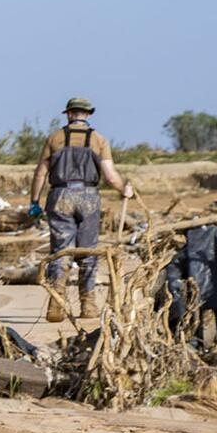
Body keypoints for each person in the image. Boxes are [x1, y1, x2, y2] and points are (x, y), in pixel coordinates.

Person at [28, 95, 134, 321]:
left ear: (68, 114)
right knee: (88, 251)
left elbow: (40, 173)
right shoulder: (99, 140)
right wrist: (123, 189)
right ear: (88, 114)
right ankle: (88, 305)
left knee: (61, 251)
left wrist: (34, 202)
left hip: (60, 196)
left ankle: (57, 303)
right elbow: (110, 175)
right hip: (88, 197)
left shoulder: (54, 138)